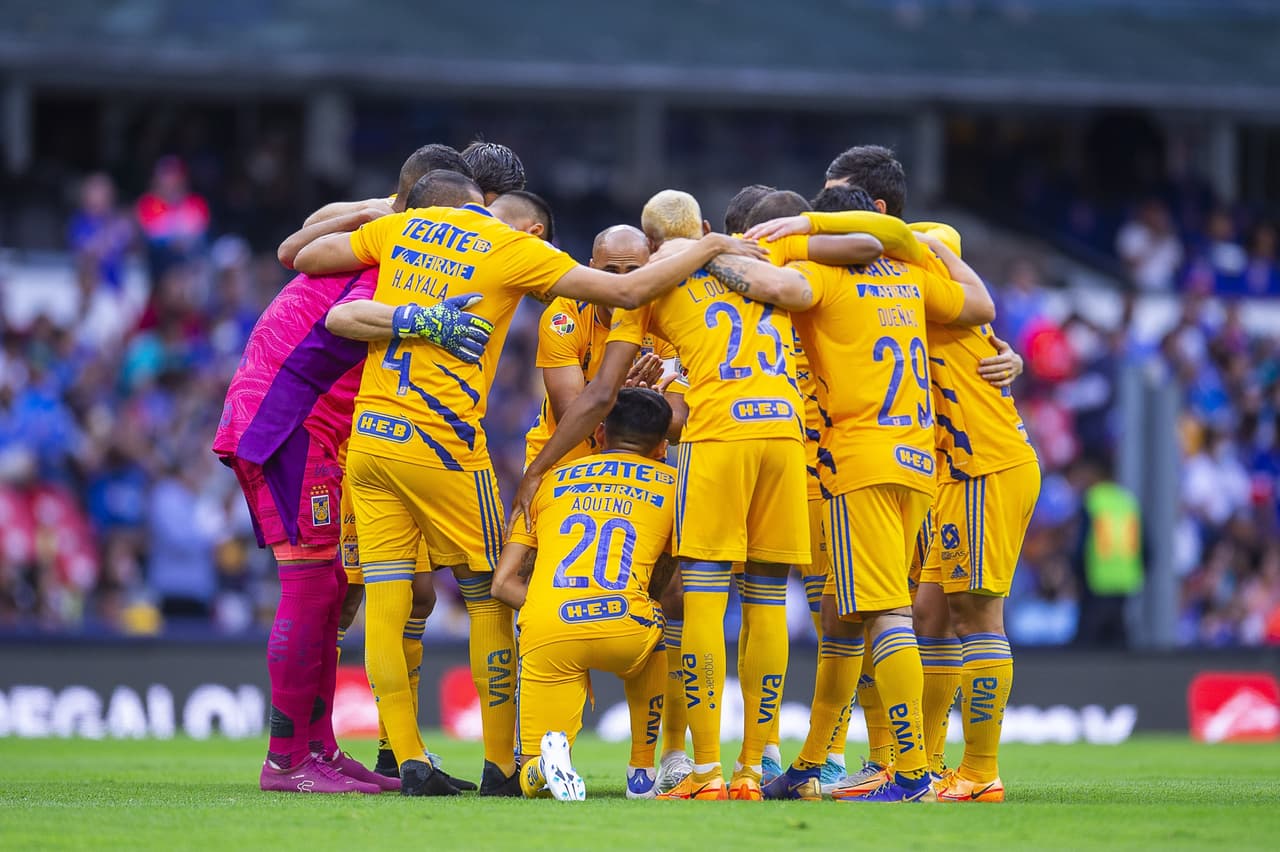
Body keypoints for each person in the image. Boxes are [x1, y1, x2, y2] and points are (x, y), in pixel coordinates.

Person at [295, 176, 765, 796]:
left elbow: (303, 257)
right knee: (490, 593)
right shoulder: (522, 257)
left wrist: (381, 209)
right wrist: (705, 248)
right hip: (466, 450)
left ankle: (410, 756)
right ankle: (503, 765)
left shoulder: (405, 229)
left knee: (389, 597)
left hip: (373, 438)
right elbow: (599, 388)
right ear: (535, 233)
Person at [511, 189, 881, 801]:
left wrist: (538, 467)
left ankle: (704, 770)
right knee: (766, 598)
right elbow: (860, 251)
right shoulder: (762, 261)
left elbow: (601, 396)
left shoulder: (654, 283)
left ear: (653, 246)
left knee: (705, 598)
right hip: (785, 432)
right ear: (703, 227)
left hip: (721, 434)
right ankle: (755, 766)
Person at [757, 148, 1037, 802]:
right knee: (914, 612)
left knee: (955, 612)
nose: (815, 212)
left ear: (877, 213)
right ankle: (894, 762)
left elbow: (973, 298)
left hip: (973, 460)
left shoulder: (926, 246)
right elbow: (975, 311)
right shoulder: (898, 273)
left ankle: (960, 770)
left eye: (832, 200)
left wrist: (796, 232)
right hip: (929, 463)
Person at [212, 160, 491, 796]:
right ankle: (286, 761)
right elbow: (341, 315)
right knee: (311, 588)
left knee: (332, 584)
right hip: (288, 420)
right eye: (469, 216)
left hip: (300, 422)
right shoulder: (396, 261)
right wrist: (427, 320)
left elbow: (297, 245)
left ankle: (319, 748)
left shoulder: (375, 242)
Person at [491, 387, 677, 801]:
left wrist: (555, 606)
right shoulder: (675, 486)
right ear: (663, 445)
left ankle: (544, 766)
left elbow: (501, 584)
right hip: (624, 622)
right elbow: (679, 581)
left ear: (600, 434)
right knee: (661, 630)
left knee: (528, 776)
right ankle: (642, 772)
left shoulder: (547, 480)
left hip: (548, 626)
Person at [1071, 454, 1143, 648]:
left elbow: (1081, 544)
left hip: (1097, 581)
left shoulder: (1093, 500)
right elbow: (1146, 547)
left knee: (1087, 642)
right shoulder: (1127, 502)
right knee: (1119, 642)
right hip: (1124, 583)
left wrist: (1076, 573)